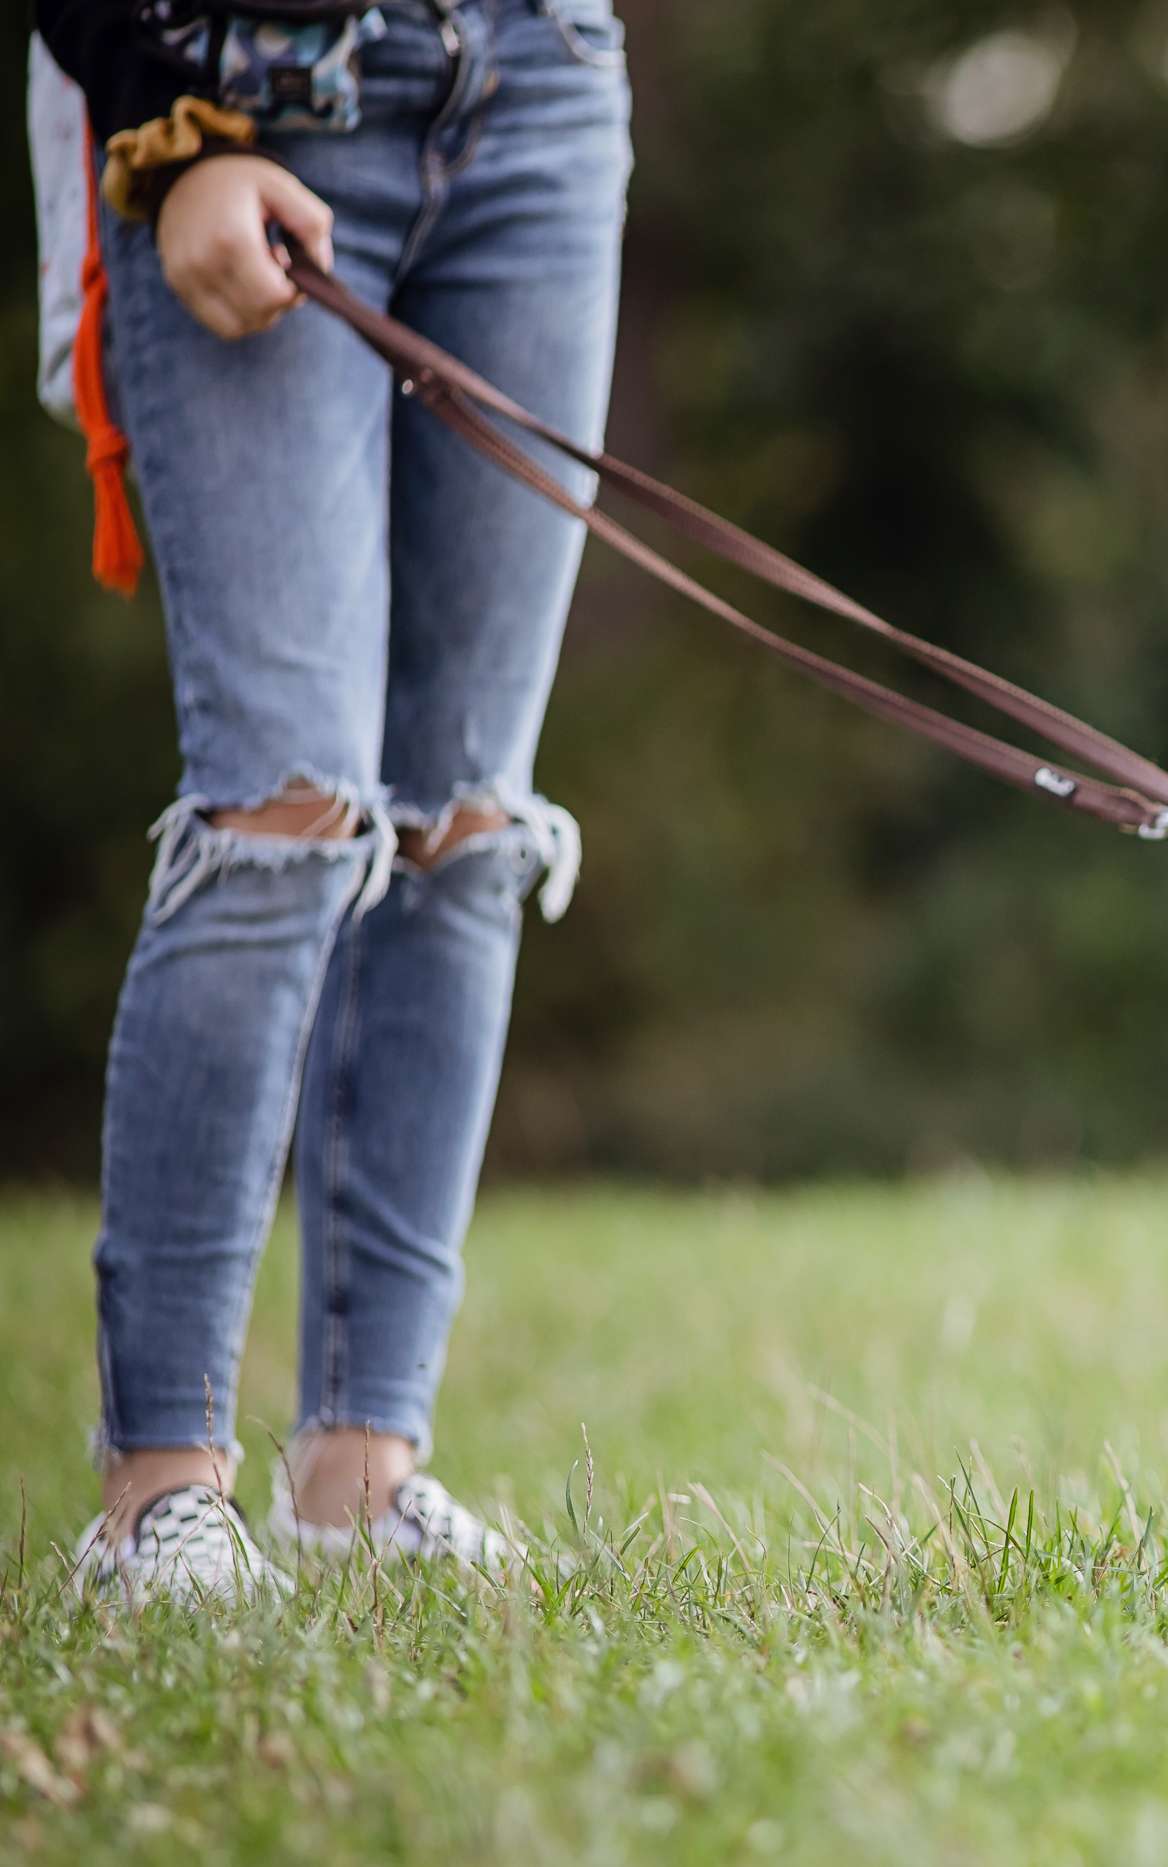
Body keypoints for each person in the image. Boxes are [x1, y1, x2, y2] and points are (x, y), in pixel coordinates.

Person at [34, 0, 632, 1603]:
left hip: (545, 89)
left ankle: (362, 1478)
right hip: (251, 90)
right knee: (283, 814)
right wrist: (167, 126)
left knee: (466, 828)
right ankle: (157, 1493)